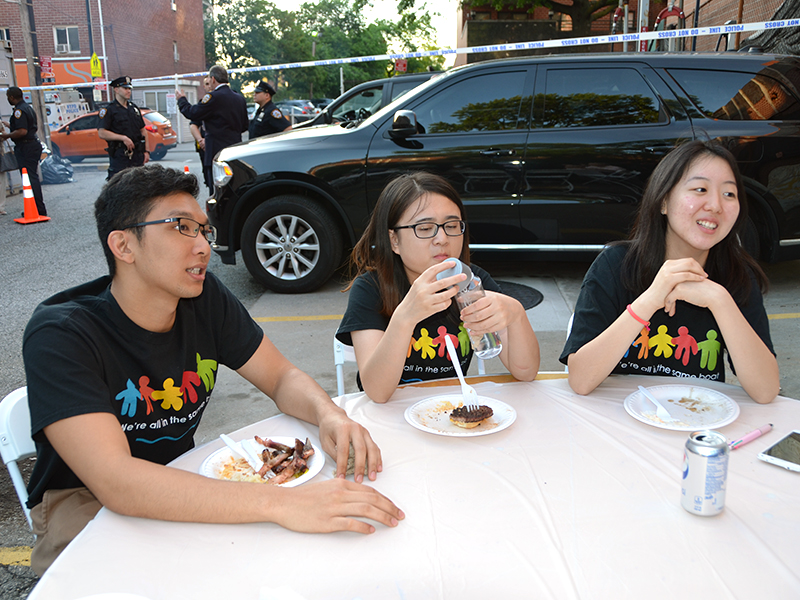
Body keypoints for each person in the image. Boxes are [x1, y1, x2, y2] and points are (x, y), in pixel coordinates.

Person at [22, 165, 404, 576]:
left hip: (181, 478)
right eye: (181, 227)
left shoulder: (204, 299)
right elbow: (117, 481)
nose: (202, 246)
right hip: (82, 502)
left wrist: (330, 415)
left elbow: (280, 376)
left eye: (204, 230)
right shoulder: (61, 334)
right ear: (123, 246)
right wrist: (282, 504)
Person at [560, 140, 779, 404]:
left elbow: (766, 391)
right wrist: (651, 298)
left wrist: (720, 301)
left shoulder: (737, 275)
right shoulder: (615, 264)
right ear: (663, 201)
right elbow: (581, 380)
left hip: (694, 420)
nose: (715, 205)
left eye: (729, 194)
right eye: (700, 189)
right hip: (620, 423)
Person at [336, 172, 540, 403]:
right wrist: (405, 317)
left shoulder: (471, 281)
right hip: (390, 416)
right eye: (424, 228)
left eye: (451, 225)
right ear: (394, 240)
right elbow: (377, 392)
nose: (442, 238)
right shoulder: (371, 289)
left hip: (450, 409)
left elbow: (526, 372)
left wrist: (516, 313)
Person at [176, 65, 248, 186]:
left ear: (213, 79)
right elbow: (245, 126)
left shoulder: (213, 97)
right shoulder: (239, 98)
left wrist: (182, 100)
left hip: (216, 151)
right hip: (235, 149)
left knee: (216, 190)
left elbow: (192, 113)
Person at [1, 86, 46, 216]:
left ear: (11, 97)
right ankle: (36, 208)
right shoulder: (27, 108)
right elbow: (24, 127)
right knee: (32, 177)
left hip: (26, 147)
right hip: (31, 145)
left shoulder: (19, 111)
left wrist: (6, 136)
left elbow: (22, 131)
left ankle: (37, 209)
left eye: (8, 96)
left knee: (30, 178)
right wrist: (9, 125)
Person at [98, 76, 149, 180]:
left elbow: (143, 130)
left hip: (137, 155)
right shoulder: (109, 110)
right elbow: (102, 132)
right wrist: (123, 138)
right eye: (125, 88)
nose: (128, 91)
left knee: (140, 184)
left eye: (129, 89)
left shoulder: (133, 108)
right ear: (116, 90)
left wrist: (146, 151)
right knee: (119, 185)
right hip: (120, 155)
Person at [189, 76, 213, 194]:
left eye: (211, 83)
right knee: (208, 176)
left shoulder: (222, 102)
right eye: (207, 84)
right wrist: (200, 140)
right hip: (204, 147)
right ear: (204, 86)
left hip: (217, 145)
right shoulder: (202, 104)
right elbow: (193, 125)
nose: (209, 86)